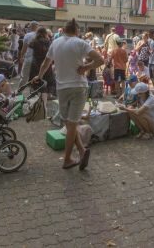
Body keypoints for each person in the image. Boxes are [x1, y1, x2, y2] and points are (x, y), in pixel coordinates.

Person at [33, 19, 103, 170]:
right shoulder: (80, 43)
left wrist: (39, 77)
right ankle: (67, 159)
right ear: (77, 31)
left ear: (64, 30)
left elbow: (46, 63)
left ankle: (82, 151)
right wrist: (86, 67)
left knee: (68, 123)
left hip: (62, 88)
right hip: (78, 87)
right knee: (72, 124)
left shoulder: (55, 43)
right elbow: (100, 59)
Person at [28, 27, 57, 104]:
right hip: (46, 63)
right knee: (49, 79)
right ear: (45, 33)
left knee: (37, 79)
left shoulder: (34, 41)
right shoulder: (48, 41)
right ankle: (47, 95)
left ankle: (37, 95)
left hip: (35, 63)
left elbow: (29, 46)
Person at [18, 21, 39, 86]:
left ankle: (19, 95)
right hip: (37, 60)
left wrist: (21, 57)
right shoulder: (40, 35)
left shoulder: (27, 35)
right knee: (35, 78)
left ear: (31, 27)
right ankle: (33, 94)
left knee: (24, 78)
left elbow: (24, 48)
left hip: (28, 59)